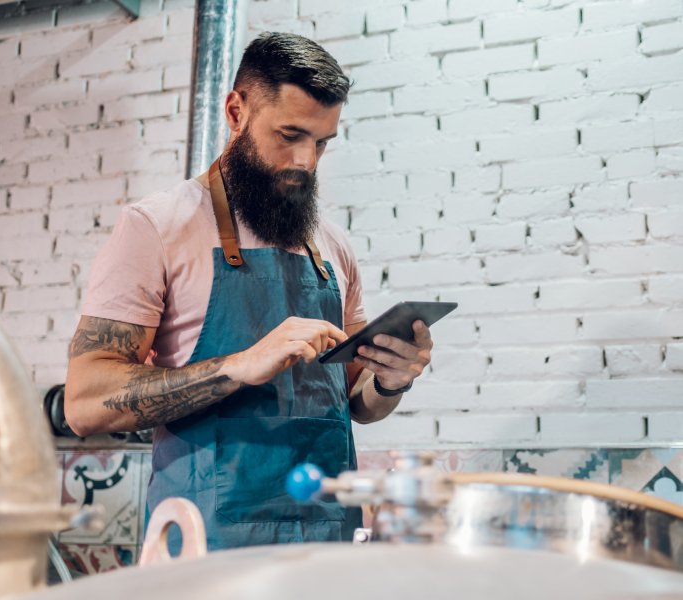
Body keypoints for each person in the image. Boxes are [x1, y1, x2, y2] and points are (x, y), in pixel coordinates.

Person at [64, 32, 433, 551]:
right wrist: (237, 366)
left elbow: (355, 403)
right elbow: (85, 404)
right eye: (290, 134)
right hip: (205, 548)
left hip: (328, 544)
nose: (306, 160)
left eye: (323, 142)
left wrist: (390, 381)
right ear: (237, 111)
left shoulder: (332, 246)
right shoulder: (156, 227)